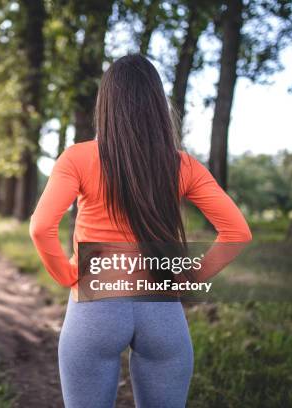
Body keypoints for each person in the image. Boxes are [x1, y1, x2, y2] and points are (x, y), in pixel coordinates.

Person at [29, 54, 252, 408]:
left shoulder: (78, 158)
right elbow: (237, 232)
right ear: (157, 105)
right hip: (161, 307)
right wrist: (190, 278)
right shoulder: (183, 165)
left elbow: (41, 228)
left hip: (95, 304)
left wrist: (67, 274)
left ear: (107, 104)